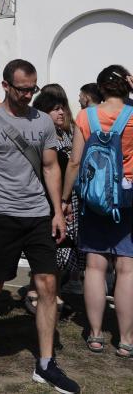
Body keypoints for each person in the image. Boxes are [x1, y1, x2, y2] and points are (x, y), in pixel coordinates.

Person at [0, 59, 78, 394]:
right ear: (6, 86)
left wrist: (57, 211)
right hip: (0, 214)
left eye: (32, 88)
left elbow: (51, 167)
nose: (28, 95)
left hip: (38, 214)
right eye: (22, 89)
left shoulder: (43, 122)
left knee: (48, 286)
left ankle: (45, 364)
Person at [62, 64, 133, 359]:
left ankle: (94, 333)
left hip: (93, 198)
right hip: (128, 196)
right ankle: (126, 339)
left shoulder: (85, 115)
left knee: (94, 264)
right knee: (127, 267)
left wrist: (65, 198)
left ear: (100, 87)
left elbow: (75, 162)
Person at [28, 84, 78, 313]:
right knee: (48, 249)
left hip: (68, 201)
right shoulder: (41, 137)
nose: (61, 113)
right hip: (48, 200)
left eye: (63, 108)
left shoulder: (68, 132)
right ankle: (36, 292)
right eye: (55, 109)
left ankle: (54, 292)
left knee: (63, 249)